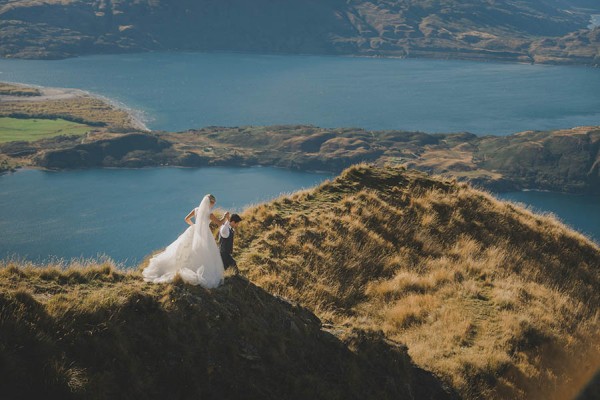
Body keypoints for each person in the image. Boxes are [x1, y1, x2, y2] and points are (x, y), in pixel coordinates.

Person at [142, 194, 227, 288]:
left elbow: (186, 219)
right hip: (204, 235)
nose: (213, 205)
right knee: (203, 253)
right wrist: (225, 216)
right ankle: (198, 270)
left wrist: (193, 225)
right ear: (210, 202)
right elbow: (219, 223)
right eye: (213, 203)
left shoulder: (196, 210)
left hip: (194, 231)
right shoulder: (209, 214)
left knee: (188, 251)